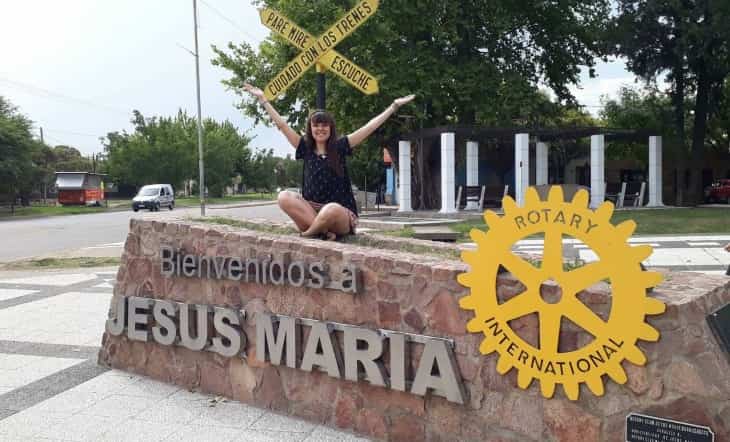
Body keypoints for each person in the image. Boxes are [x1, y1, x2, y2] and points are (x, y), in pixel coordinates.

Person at [243, 83, 415, 240]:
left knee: (331, 209)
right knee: (284, 196)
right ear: (310, 129)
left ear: (331, 128)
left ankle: (309, 233)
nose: (320, 129)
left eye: (324, 125)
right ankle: (323, 232)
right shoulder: (305, 148)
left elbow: (369, 127)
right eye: (316, 125)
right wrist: (263, 99)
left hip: (338, 214)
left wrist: (393, 107)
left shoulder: (340, 146)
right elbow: (282, 125)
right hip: (311, 210)